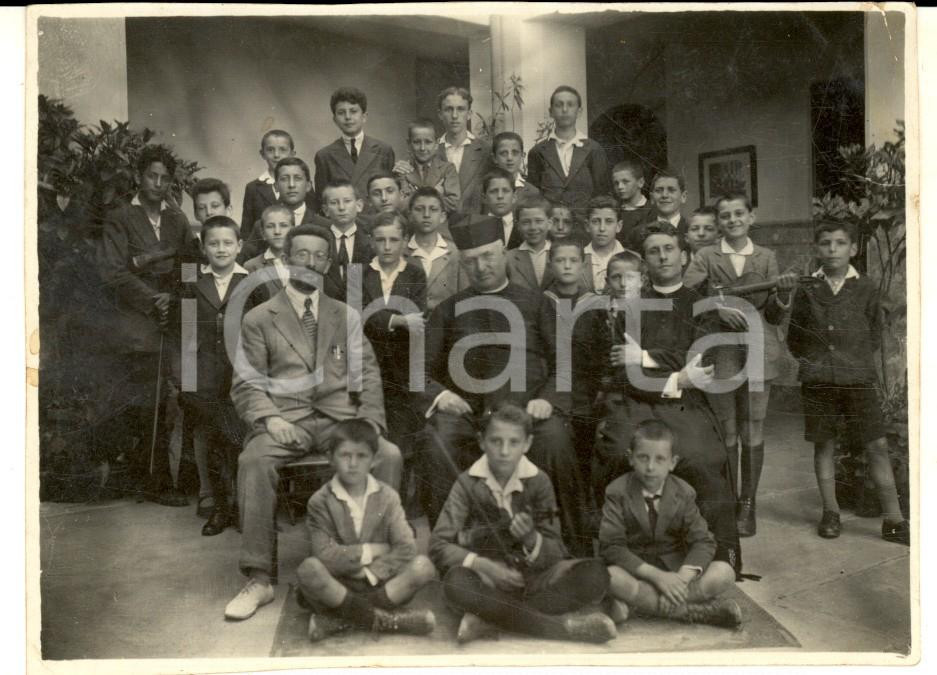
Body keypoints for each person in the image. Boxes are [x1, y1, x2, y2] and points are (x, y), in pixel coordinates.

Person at [224, 223, 403, 621]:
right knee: (253, 462)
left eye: (319, 255)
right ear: (286, 260)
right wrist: (269, 419)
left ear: (329, 262)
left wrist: (371, 423)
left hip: (341, 422)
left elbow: (368, 376)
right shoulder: (259, 318)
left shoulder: (345, 316)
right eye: (301, 254)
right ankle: (259, 579)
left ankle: (375, 564)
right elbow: (246, 384)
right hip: (286, 421)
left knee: (388, 455)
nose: (310, 262)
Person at [418, 215, 590, 556]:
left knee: (555, 440)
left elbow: (565, 363)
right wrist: (442, 395)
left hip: (528, 409)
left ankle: (571, 551)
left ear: (504, 254)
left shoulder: (538, 303)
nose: (481, 267)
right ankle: (449, 551)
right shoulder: (448, 310)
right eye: (471, 261)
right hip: (470, 414)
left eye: (489, 256)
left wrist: (549, 400)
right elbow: (417, 372)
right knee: (437, 441)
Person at [593, 222, 743, 575]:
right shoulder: (630, 307)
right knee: (617, 452)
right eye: (654, 251)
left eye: (669, 249)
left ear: (684, 255)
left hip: (683, 404)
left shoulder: (702, 306)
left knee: (703, 457)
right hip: (635, 400)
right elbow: (623, 370)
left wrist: (645, 357)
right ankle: (622, 556)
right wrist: (676, 374)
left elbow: (699, 361)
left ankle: (717, 561)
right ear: (645, 261)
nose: (662, 256)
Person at [429, 403, 616, 644]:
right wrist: (484, 565)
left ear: (527, 444)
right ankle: (563, 628)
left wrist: (531, 539)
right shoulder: (467, 483)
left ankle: (492, 619)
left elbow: (555, 549)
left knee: (595, 575)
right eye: (496, 441)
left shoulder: (539, 482)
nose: (504, 451)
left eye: (514, 443)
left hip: (535, 580)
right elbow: (438, 544)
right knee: (457, 583)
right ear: (481, 442)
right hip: (489, 581)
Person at [786, 221, 910, 545]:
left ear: (853, 249)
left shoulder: (867, 288)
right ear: (816, 248)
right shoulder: (807, 289)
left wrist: (848, 359)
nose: (832, 249)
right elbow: (795, 338)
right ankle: (830, 512)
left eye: (840, 243)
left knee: (877, 445)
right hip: (818, 379)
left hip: (857, 378)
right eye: (825, 243)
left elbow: (873, 334)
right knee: (824, 444)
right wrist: (819, 362)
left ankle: (894, 519)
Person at [683, 193, 796, 536]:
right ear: (718, 222)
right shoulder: (705, 256)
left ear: (751, 217)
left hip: (760, 350)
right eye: (725, 215)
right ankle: (729, 500)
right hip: (720, 350)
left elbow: (775, 314)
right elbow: (685, 296)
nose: (732, 220)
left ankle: (749, 504)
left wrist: (784, 295)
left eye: (738, 214)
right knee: (727, 427)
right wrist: (715, 307)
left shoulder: (766, 257)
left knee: (753, 426)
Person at [96, 144, 197, 506]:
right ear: (138, 177)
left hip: (174, 317)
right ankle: (152, 482)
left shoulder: (178, 220)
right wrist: (151, 299)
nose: (157, 183)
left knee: (185, 397)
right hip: (136, 322)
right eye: (151, 176)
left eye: (164, 178)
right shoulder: (121, 217)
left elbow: (190, 264)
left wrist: (175, 295)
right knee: (147, 403)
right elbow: (112, 272)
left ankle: (185, 477)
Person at [297, 419, 437, 642]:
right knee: (309, 569)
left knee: (424, 567)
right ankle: (394, 622)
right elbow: (324, 555)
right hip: (339, 583)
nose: (353, 463)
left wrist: (371, 573)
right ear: (331, 457)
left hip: (380, 582)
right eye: (345, 455)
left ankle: (342, 620)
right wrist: (370, 550)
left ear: (373, 460)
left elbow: (406, 548)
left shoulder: (388, 496)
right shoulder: (320, 501)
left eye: (361, 456)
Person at [600, 420, 742, 627]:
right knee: (611, 576)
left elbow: (703, 541)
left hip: (675, 571)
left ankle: (643, 605)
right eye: (643, 458)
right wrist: (658, 577)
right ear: (630, 458)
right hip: (638, 569)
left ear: (672, 463)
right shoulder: (617, 492)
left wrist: (681, 579)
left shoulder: (683, 492)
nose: (650, 467)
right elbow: (612, 546)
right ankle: (695, 611)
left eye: (660, 459)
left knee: (724, 572)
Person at [178, 216, 259, 535]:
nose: (221, 249)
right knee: (213, 442)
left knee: (240, 441)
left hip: (242, 376)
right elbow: (185, 333)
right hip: (207, 377)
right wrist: (187, 381)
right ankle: (220, 508)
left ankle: (242, 507)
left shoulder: (253, 281)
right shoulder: (192, 282)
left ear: (239, 246)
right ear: (203, 247)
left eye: (228, 243)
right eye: (214, 243)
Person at [361, 211, 427, 452]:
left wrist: (377, 319)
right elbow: (357, 317)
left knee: (402, 436)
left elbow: (418, 318)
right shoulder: (359, 274)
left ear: (405, 240)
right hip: (367, 363)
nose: (387, 246)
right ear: (371, 241)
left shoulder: (415, 274)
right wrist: (398, 320)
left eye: (394, 240)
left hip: (402, 367)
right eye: (380, 240)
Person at [526, 85, 610, 218]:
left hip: (584, 227)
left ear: (580, 111)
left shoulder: (594, 149)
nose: (564, 110)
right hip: (550, 226)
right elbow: (534, 196)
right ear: (551, 111)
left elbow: (602, 194)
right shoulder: (538, 152)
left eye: (570, 105)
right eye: (559, 105)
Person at [313, 87, 395, 202]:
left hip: (376, 219)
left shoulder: (383, 150)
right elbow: (322, 201)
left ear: (364, 116)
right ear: (335, 120)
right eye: (341, 113)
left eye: (353, 111)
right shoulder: (324, 156)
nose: (348, 117)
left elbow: (391, 196)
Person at [240, 157, 322, 261]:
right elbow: (243, 264)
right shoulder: (261, 225)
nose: (291, 185)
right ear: (276, 186)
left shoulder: (323, 225)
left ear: (308, 186)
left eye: (297, 178)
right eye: (284, 179)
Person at [241, 129, 318, 238]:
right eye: (270, 150)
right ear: (262, 154)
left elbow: (312, 217)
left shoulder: (302, 186)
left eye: (282, 150)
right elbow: (247, 230)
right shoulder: (253, 188)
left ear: (292, 154)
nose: (276, 155)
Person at [405, 187, 466, 312]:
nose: (426, 215)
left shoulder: (456, 253)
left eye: (433, 210)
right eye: (419, 209)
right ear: (410, 215)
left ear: (443, 217)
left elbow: (464, 298)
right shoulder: (401, 252)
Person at [435, 86, 491, 215]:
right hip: (440, 227)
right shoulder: (431, 151)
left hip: (475, 227)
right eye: (449, 109)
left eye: (460, 109)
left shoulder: (485, 151)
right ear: (440, 114)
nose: (455, 115)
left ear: (469, 114)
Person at [319, 179, 372, 303]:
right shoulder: (319, 242)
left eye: (347, 201)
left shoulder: (370, 242)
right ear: (325, 210)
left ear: (359, 205)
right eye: (334, 202)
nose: (341, 208)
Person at [393, 118, 460, 213]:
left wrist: (415, 194)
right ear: (409, 144)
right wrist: (435, 192)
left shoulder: (448, 169)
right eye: (416, 142)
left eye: (428, 142)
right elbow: (401, 206)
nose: (422, 148)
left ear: (436, 144)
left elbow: (453, 204)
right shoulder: (402, 170)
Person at [243, 204, 294, 303]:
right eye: (270, 226)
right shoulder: (251, 267)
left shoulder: (303, 262)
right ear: (263, 234)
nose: (277, 232)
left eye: (283, 225)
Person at [505, 196, 554, 291]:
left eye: (539, 221)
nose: (533, 227)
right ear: (518, 226)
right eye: (526, 222)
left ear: (549, 223)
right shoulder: (509, 258)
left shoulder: (561, 254)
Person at [583, 195, 626, 293]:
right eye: (596, 221)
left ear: (619, 226)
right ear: (587, 226)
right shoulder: (577, 259)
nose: (602, 228)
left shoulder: (633, 259)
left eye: (609, 221)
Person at [611, 159, 653, 247]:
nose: (620, 187)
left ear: (640, 182)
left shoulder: (653, 211)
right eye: (616, 183)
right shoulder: (613, 212)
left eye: (625, 182)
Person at [480, 168, 523, 250]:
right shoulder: (477, 229)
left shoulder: (522, 229)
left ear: (514, 196)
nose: (500, 196)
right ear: (484, 197)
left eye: (505, 191)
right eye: (493, 191)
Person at [490, 131, 540, 202]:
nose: (510, 158)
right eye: (503, 153)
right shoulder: (486, 188)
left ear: (522, 156)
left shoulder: (532, 192)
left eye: (515, 153)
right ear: (494, 158)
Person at [648, 169, 690, 234]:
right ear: (652, 197)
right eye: (659, 190)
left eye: (671, 190)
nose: (664, 195)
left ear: (683, 197)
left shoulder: (691, 230)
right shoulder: (639, 232)